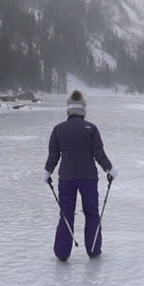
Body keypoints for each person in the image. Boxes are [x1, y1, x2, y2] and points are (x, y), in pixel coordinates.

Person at [44, 90, 117, 261]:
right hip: (88, 178)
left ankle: (62, 253)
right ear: (83, 109)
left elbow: (53, 156)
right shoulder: (91, 129)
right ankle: (93, 249)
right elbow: (99, 153)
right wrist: (109, 169)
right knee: (91, 213)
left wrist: (47, 172)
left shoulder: (58, 129)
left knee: (66, 214)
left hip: (66, 178)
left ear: (68, 109)